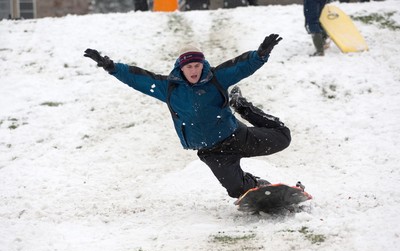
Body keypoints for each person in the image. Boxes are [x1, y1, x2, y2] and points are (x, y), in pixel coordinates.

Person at [83, 34, 291, 199]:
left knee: (284, 137)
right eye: (189, 66)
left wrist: (261, 54)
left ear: (203, 64)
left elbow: (241, 66)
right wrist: (111, 67)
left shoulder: (216, 77)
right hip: (213, 152)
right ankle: (256, 187)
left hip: (236, 136)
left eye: (197, 65)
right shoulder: (169, 88)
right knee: (237, 190)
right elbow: (137, 79)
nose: (194, 70)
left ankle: (243, 107)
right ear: (181, 67)